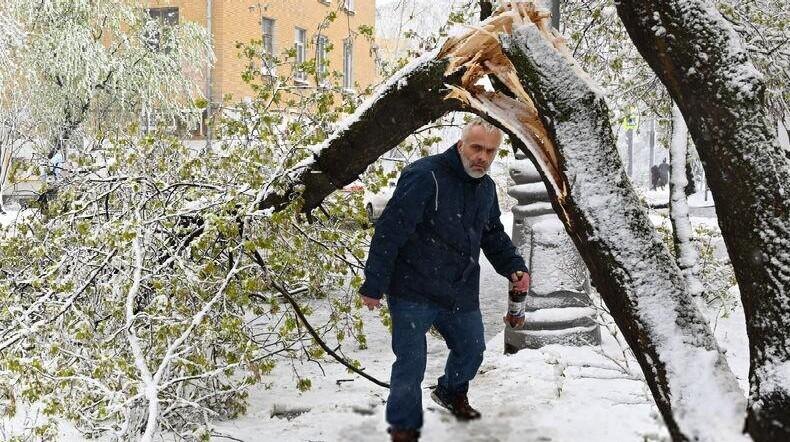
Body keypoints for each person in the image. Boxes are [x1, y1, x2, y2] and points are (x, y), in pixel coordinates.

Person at [359, 118, 531, 442]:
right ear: (461, 144)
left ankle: (451, 391)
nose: (482, 157)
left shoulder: (486, 188)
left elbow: (492, 235)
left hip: (459, 289)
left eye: (490, 151)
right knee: (410, 362)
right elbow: (390, 230)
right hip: (413, 288)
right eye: (476, 148)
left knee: (472, 348)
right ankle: (404, 426)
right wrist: (374, 283)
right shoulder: (425, 176)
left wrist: (513, 266)